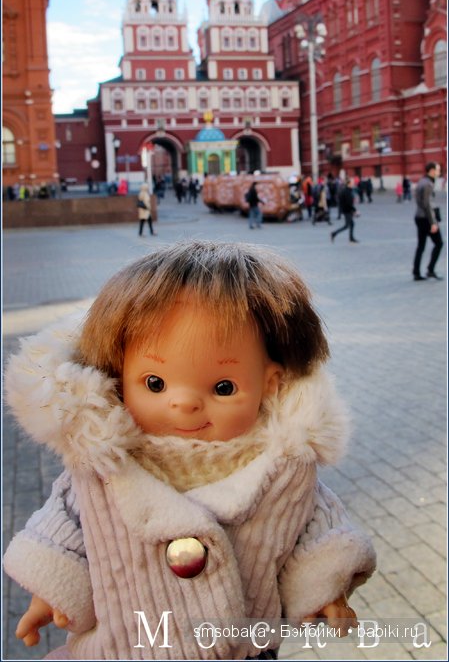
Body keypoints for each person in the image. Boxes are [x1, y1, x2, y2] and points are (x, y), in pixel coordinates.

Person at [4, 240, 376, 661]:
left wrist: (324, 588)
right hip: (124, 647)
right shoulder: (105, 466)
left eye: (223, 387)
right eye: (155, 384)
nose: (183, 404)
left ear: (269, 383)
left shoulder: (284, 471)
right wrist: (51, 588)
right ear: (118, 376)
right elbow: (66, 525)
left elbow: (317, 531)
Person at [412, 161, 443, 281]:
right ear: (432, 170)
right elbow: (427, 204)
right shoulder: (428, 184)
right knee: (439, 243)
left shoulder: (422, 181)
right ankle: (430, 269)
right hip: (426, 218)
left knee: (421, 246)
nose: (439, 172)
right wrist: (433, 222)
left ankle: (416, 272)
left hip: (419, 217)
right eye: (438, 169)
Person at [330, 178, 359, 243]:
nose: (353, 184)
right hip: (347, 210)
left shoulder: (347, 190)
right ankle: (334, 233)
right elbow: (348, 203)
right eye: (352, 182)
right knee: (346, 225)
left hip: (346, 210)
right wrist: (355, 210)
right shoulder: (347, 191)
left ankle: (351, 238)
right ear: (349, 184)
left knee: (352, 224)